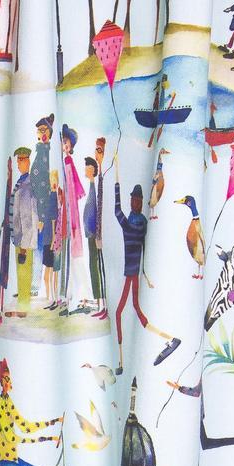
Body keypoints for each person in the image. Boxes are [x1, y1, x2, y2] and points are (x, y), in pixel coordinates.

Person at [111, 172, 181, 366]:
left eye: (137, 200)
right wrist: (146, 276)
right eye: (134, 200)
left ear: (140, 202)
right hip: (134, 274)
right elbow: (145, 249)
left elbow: (117, 211)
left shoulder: (130, 225)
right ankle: (169, 338)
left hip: (130, 274)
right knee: (136, 310)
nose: (135, 203)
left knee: (119, 313)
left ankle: (121, 361)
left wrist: (117, 185)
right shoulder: (142, 224)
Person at [0, 147, 39, 321]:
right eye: (18, 160)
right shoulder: (22, 181)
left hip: (23, 240)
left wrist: (24, 245)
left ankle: (23, 309)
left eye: (22, 160)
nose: (19, 163)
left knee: (24, 274)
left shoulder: (27, 185)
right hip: (19, 238)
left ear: (28, 161)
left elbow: (28, 218)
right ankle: (22, 307)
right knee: (22, 273)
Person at [55, 125, 86, 311]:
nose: (64, 145)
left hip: (69, 213)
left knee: (70, 258)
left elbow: (72, 190)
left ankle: (69, 296)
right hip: (66, 211)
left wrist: (69, 213)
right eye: (63, 142)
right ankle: (64, 296)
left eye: (66, 143)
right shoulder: (63, 162)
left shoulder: (67, 162)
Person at [32, 115, 57, 308]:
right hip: (40, 210)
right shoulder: (42, 150)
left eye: (44, 130)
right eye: (39, 131)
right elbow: (37, 182)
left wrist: (41, 215)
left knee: (43, 248)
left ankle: (40, 287)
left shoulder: (47, 152)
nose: (41, 133)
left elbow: (44, 185)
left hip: (45, 212)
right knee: (39, 248)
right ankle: (37, 286)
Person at [82, 146, 108, 319]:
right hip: (91, 235)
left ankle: (103, 305)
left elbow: (96, 212)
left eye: (87, 167)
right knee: (94, 267)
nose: (85, 170)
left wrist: (97, 234)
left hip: (94, 235)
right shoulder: (92, 187)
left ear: (92, 169)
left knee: (97, 267)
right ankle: (100, 305)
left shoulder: (95, 187)